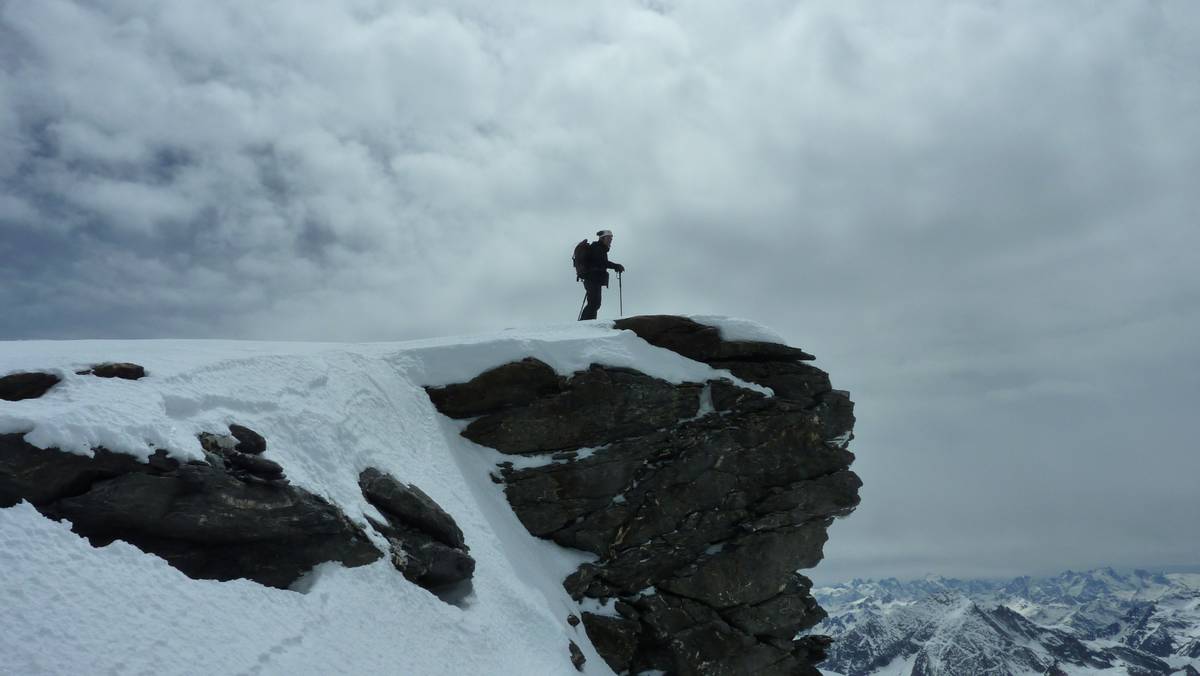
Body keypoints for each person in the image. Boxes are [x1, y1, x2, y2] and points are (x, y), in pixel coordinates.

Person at [577, 229, 625, 320]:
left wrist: (615, 266)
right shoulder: (597, 248)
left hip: (593, 278)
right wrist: (616, 266)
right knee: (594, 303)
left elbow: (601, 263)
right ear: (602, 238)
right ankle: (584, 324)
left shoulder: (599, 248)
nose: (611, 240)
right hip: (592, 278)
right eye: (609, 238)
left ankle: (588, 322)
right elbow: (602, 262)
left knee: (594, 303)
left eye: (611, 238)